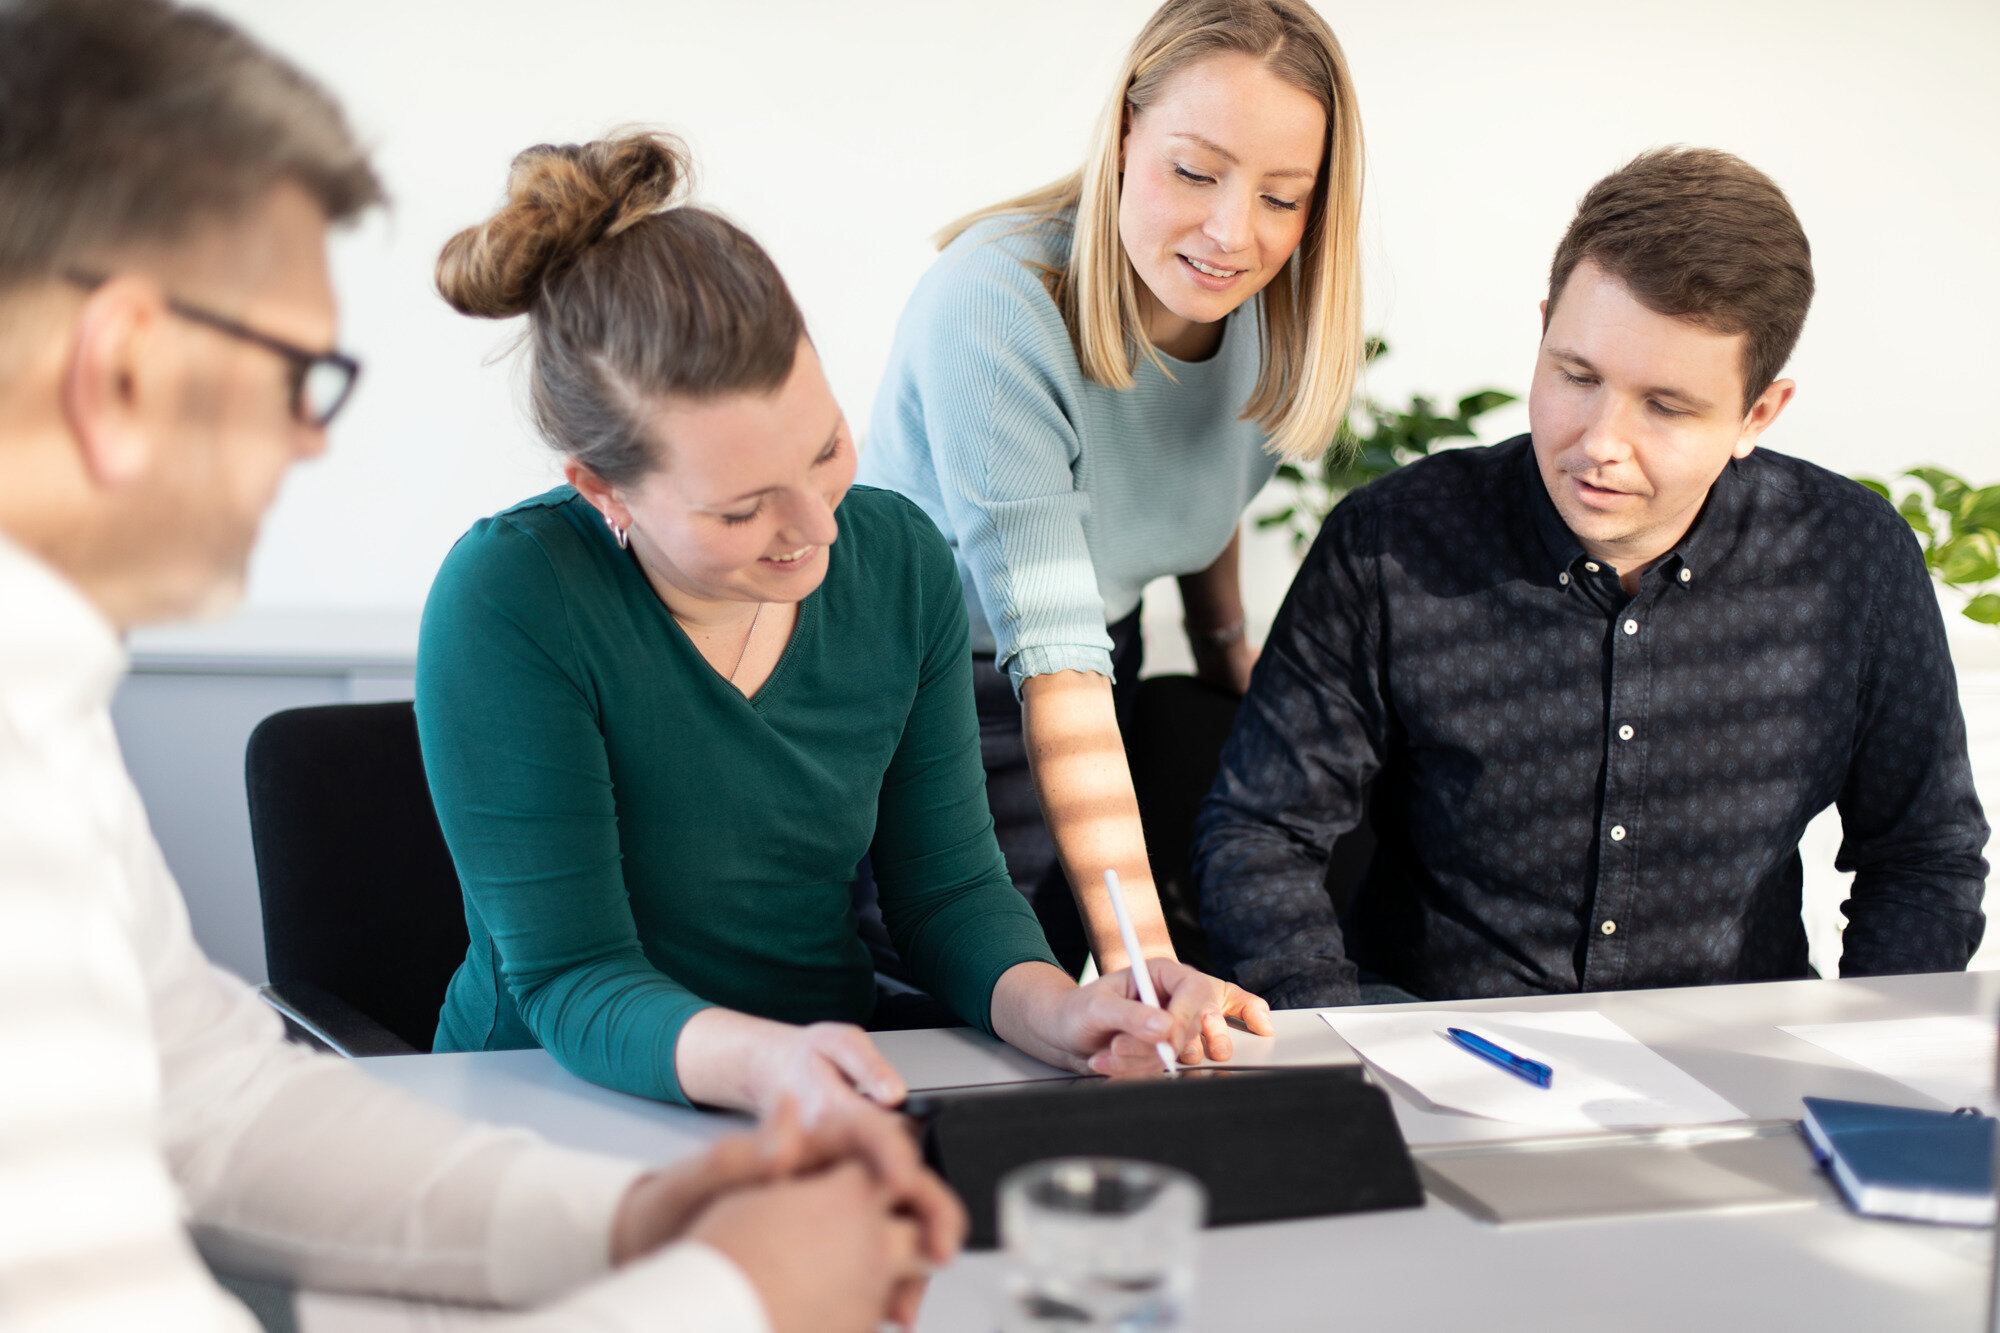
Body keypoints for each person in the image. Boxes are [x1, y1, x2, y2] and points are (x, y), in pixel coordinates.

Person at [0, 4, 962, 1331]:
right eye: (303, 375)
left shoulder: (41, 718)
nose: (313, 445)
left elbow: (216, 1101)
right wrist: (737, 1293)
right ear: (118, 370)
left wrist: (634, 1221)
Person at [418, 130, 1243, 1120]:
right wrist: (769, 1064)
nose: (815, 530)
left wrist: (1062, 1011)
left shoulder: (894, 558)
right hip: (544, 1102)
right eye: (739, 507)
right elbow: (573, 976)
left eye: (825, 449)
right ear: (603, 492)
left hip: (826, 1085)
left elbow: (946, 894)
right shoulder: (512, 595)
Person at [1194, 146, 1991, 1008]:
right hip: (1430, 1046)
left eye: (1666, 406)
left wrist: (1859, 1062)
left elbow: (1924, 856)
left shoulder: (1852, 562)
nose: (1599, 442)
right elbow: (1259, 834)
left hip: (1738, 1055)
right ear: (1543, 331)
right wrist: (1348, 1048)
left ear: (1757, 413)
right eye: (1576, 375)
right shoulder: (1391, 541)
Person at [856, 0, 1363, 1002]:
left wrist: (1223, 646)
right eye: (1193, 170)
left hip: (1097, 665)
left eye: (1280, 195)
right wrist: (1143, 964)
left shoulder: (1274, 306)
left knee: (1045, 996)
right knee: (932, 1008)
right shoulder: (996, 305)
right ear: (1125, 133)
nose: (1231, 232)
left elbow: (1199, 477)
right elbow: (1050, 655)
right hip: (924, 687)